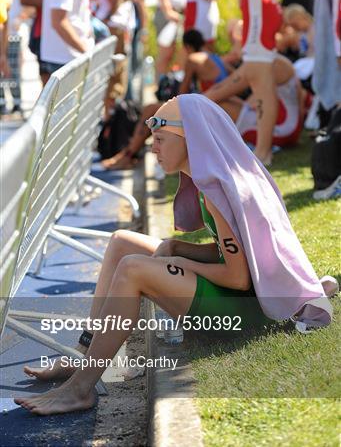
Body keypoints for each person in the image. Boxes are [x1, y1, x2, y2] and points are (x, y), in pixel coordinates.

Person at [14, 94, 336, 415]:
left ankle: (80, 389)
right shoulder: (217, 176)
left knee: (132, 269)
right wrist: (181, 247)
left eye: (160, 139)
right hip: (241, 298)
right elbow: (237, 254)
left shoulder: (215, 189)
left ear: (190, 139)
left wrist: (181, 261)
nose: (152, 148)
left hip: (241, 316)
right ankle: (87, 354)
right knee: (122, 241)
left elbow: (238, 277)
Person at [101, 29, 229, 170]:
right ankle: (129, 154)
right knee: (153, 109)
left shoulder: (193, 60)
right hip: (217, 108)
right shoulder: (215, 58)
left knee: (152, 110)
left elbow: (181, 95)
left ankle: (128, 155)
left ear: (187, 47)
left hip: (206, 110)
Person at [234, 0, 283, 166]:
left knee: (259, 80)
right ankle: (263, 151)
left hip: (257, 4)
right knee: (261, 80)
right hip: (261, 1)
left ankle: (263, 152)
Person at [205, 54, 305, 148]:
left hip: (282, 128)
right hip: (289, 127)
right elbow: (221, 87)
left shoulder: (264, 63)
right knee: (218, 102)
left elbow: (216, 95)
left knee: (219, 105)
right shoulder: (269, 59)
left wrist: (193, 102)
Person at [2, 0, 30, 112]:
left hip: (13, 31)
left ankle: (16, 102)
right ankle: (3, 104)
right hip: (4, 29)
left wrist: (20, 18)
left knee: (13, 69)